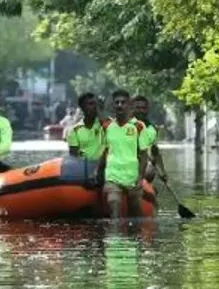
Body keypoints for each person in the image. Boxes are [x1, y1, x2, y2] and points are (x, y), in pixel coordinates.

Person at [97, 89, 152, 219]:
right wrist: (98, 172)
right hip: (113, 177)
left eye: (123, 102)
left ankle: (135, 238)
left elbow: (144, 155)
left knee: (136, 216)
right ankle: (114, 237)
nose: (120, 105)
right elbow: (104, 151)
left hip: (133, 178)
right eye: (117, 102)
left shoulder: (138, 127)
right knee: (114, 207)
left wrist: (140, 178)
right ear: (113, 106)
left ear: (129, 105)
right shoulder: (106, 127)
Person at [132, 95, 166, 183]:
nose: (141, 111)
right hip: (124, 164)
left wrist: (162, 172)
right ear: (131, 108)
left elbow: (155, 152)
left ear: (147, 110)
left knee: (149, 171)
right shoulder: (124, 124)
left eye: (143, 108)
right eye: (137, 107)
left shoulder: (152, 129)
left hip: (142, 165)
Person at [66, 93, 106, 162]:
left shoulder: (105, 125)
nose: (95, 107)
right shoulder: (74, 131)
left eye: (96, 104)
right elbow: (73, 159)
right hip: (84, 169)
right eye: (91, 104)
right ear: (82, 107)